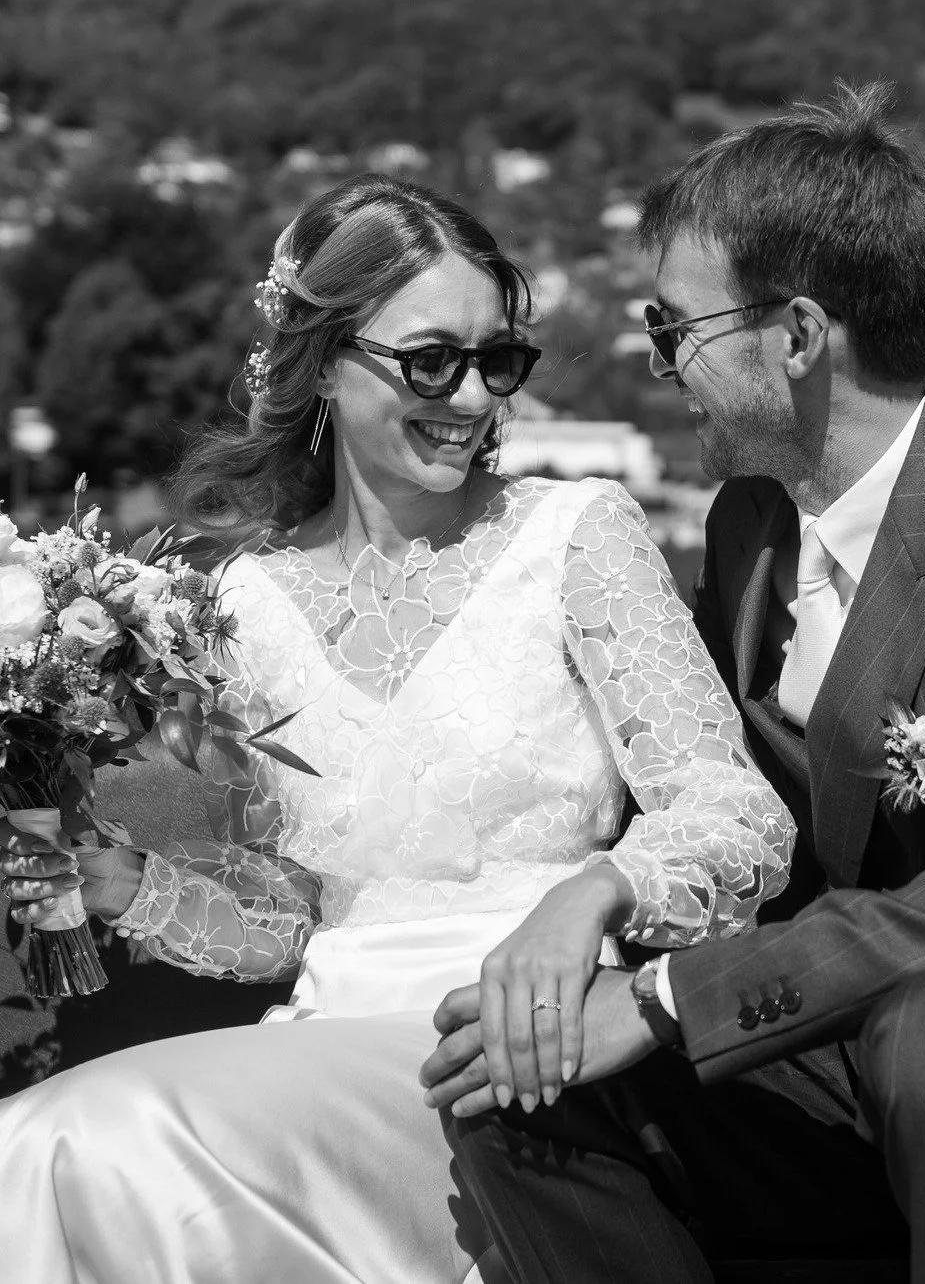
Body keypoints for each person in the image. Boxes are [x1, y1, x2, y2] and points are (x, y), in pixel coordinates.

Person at [0, 174, 796, 1284]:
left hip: (524, 1049)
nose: (472, 398)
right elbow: (290, 916)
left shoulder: (575, 534)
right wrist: (107, 882)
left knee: (86, 1138)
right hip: (328, 1039)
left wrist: (594, 895)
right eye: (430, 360)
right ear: (325, 361)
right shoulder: (244, 599)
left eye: (495, 360)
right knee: (35, 1148)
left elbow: (734, 814)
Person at [423, 83, 925, 1283]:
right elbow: (697, 778)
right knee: (516, 1069)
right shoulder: (748, 521)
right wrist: (600, 895)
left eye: (675, 325)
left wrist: (677, 999)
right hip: (830, 1029)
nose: (660, 358)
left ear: (794, 337)